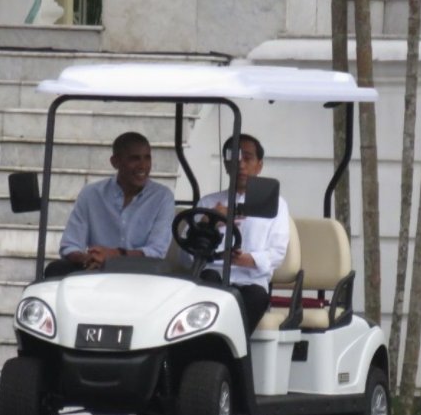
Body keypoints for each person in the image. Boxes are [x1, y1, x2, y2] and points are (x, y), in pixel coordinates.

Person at [195, 134, 290, 335]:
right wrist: (209, 222)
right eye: (234, 158)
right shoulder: (208, 203)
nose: (241, 164)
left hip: (251, 281)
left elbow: (277, 252)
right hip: (213, 276)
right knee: (204, 289)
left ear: (259, 165)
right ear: (226, 164)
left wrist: (250, 259)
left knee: (253, 298)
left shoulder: (276, 205)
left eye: (247, 158)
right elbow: (186, 255)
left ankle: (230, 348)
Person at [44, 132, 175, 277]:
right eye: (134, 159)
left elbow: (156, 251)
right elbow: (70, 245)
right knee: (55, 269)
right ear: (115, 162)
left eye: (147, 158)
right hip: (97, 271)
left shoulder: (162, 196)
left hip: (141, 274)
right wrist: (88, 259)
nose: (143, 165)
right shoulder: (91, 194)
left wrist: (114, 256)